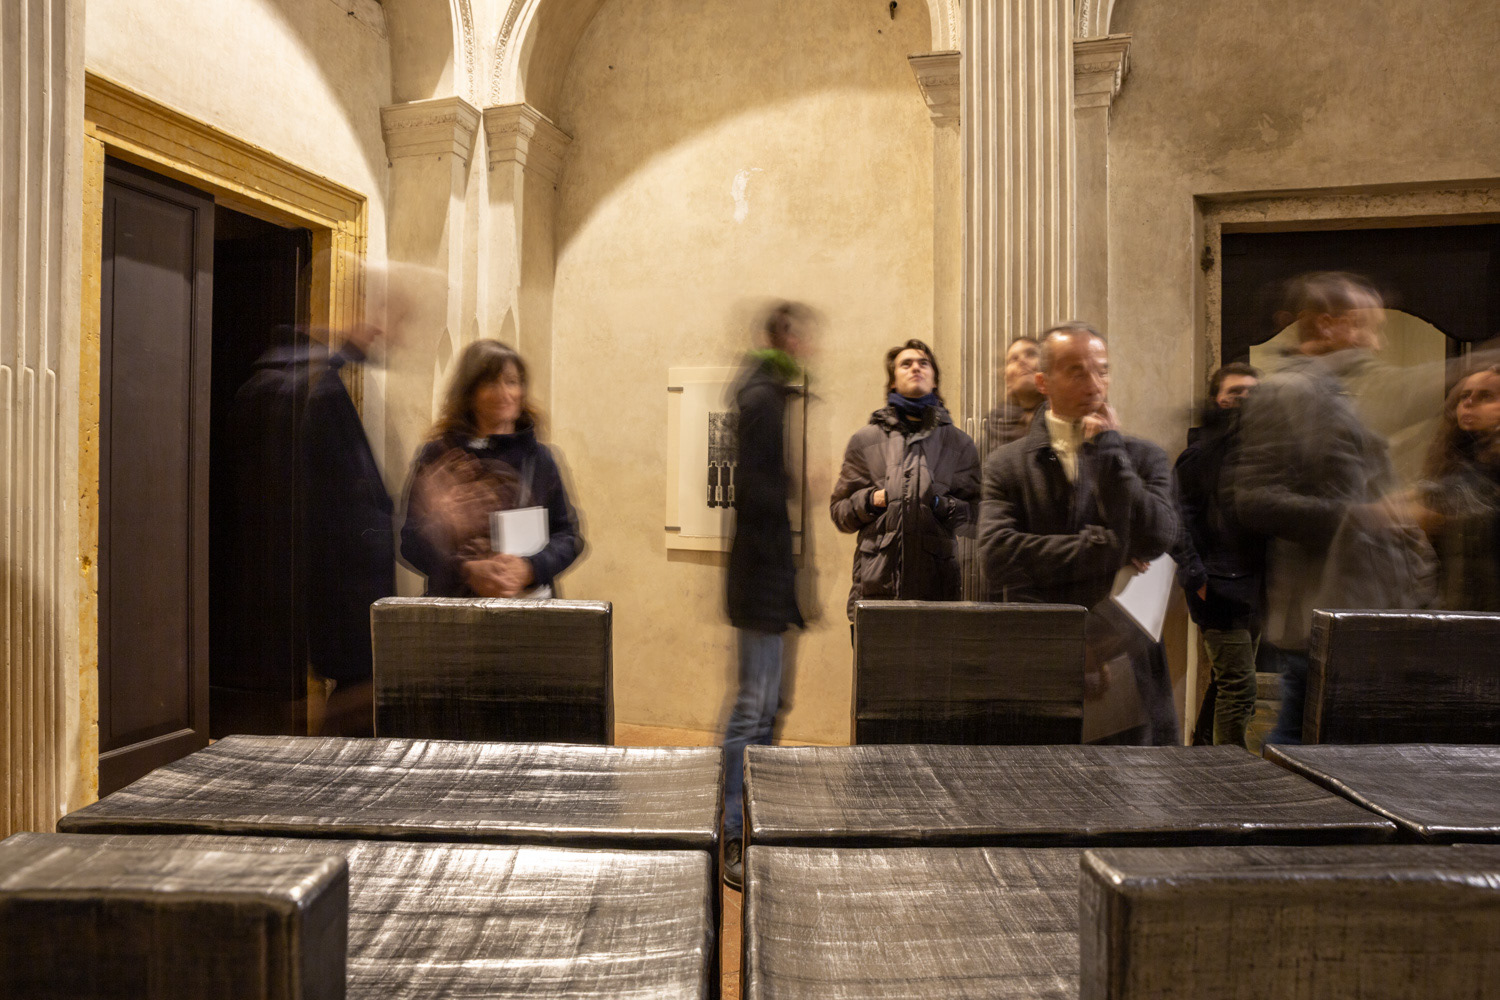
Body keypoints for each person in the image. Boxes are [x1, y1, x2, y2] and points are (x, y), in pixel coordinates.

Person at [1230, 272, 1425, 745]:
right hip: (1323, 612)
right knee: (1304, 747)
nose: (1376, 344)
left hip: (1358, 610)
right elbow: (1255, 500)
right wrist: (1365, 515)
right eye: (1368, 327)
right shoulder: (1287, 391)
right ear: (1328, 324)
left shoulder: (1334, 392)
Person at [978, 323, 1179, 744]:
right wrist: (1106, 546)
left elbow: (1158, 536)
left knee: (1131, 779)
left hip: (1126, 655)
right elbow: (997, 556)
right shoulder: (1007, 464)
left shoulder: (1143, 457)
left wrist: (1112, 453)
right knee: (1040, 776)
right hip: (1041, 654)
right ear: (1043, 382)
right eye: (1076, 372)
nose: (1094, 383)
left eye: (1102, 370)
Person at [720, 302, 811, 891]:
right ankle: (732, 827)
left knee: (771, 704)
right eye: (799, 336)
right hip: (760, 581)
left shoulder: (770, 394)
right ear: (783, 337)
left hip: (771, 580)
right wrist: (789, 483)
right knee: (753, 706)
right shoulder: (760, 398)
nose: (807, 345)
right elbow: (755, 493)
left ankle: (754, 816)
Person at [400, 340, 582, 597]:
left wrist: (529, 568)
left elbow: (568, 537)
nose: (504, 393)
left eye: (512, 382)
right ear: (469, 392)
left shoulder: (539, 458)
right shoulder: (438, 455)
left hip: (526, 607)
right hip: (455, 606)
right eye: (491, 383)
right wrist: (466, 570)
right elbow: (410, 542)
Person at [829, 339, 980, 621]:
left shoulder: (959, 443)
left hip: (937, 597)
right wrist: (871, 500)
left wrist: (941, 505)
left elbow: (977, 518)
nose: (915, 368)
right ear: (892, 382)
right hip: (876, 594)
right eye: (906, 364)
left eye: (924, 363)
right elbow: (840, 513)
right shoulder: (865, 440)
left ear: (935, 380)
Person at [302, 323, 397, 735]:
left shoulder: (325, 392)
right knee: (353, 694)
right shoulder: (317, 396)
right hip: (344, 580)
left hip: (354, 578)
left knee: (358, 688)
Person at [1171, 362, 1264, 748]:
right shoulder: (1198, 456)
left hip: (1255, 587)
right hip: (1219, 589)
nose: (1244, 399)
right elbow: (1177, 522)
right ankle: (1231, 770)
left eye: (1252, 392)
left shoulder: (1260, 455)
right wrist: (1197, 578)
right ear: (1216, 399)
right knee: (1240, 689)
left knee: (1226, 683)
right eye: (1234, 392)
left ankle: (1204, 755)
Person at [1416, 366, 1500, 611]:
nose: (1470, 402)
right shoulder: (1453, 464)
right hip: (1457, 607)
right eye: (1465, 396)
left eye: (1486, 396)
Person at [982, 336, 1044, 451]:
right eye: (1014, 359)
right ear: (1007, 379)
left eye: (1031, 354)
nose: (1022, 361)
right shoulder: (993, 430)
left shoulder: (1067, 417)